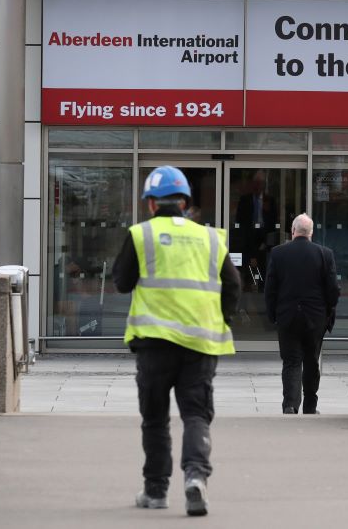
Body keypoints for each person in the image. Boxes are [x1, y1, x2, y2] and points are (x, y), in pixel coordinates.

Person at [112, 166, 241, 516]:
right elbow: (233, 286)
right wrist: (220, 319)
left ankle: (156, 491)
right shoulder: (211, 238)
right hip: (199, 344)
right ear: (184, 202)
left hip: (154, 343)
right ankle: (195, 477)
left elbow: (122, 282)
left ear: (151, 204)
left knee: (155, 418)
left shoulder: (141, 235)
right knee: (196, 414)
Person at [264, 213, 340, 415]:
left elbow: (270, 288)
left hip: (287, 317)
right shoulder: (325, 254)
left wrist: (272, 315)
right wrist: (328, 311)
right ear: (311, 233)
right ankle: (310, 406)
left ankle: (290, 405)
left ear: (293, 230)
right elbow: (333, 289)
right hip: (315, 319)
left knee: (291, 361)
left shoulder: (278, 253)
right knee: (311, 361)